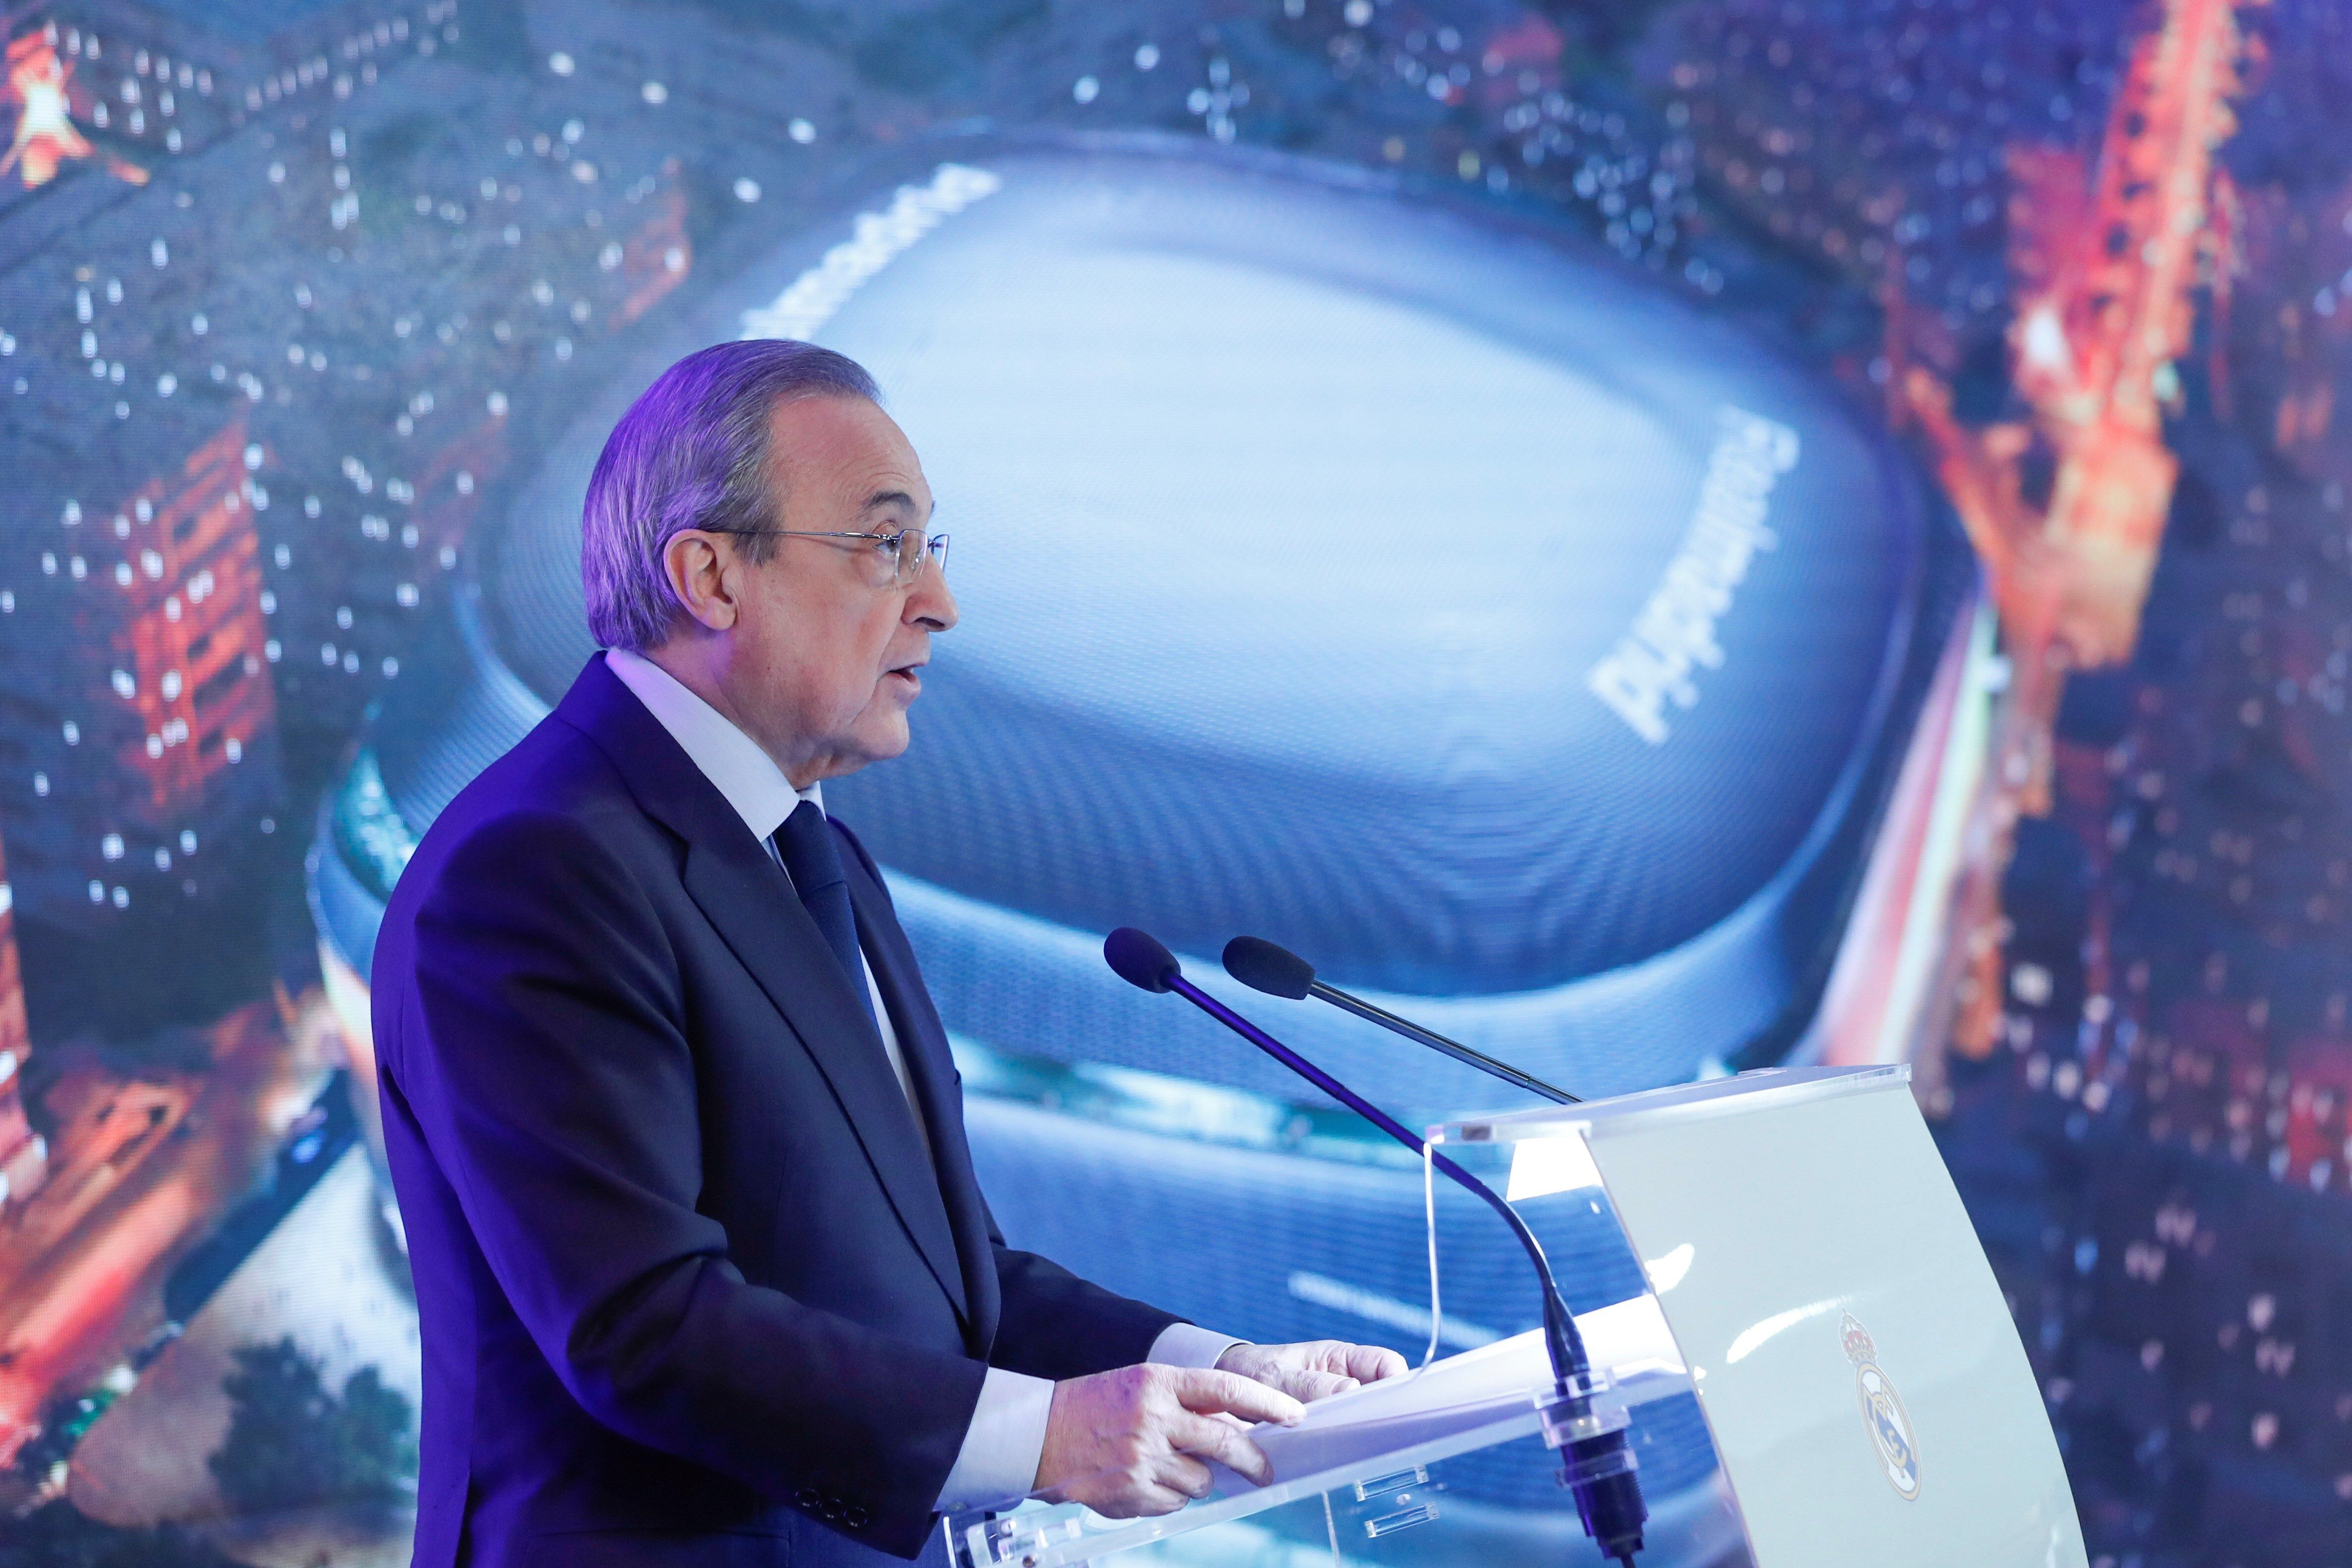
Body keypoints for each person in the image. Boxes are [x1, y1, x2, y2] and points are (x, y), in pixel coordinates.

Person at [372, 339, 1406, 1568]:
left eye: (931, 550)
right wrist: (1048, 1436)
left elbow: (954, 1286)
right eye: (883, 545)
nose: (938, 602)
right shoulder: (535, 866)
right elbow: (642, 1324)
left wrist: (1222, 1371)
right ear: (710, 573)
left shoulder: (818, 855)